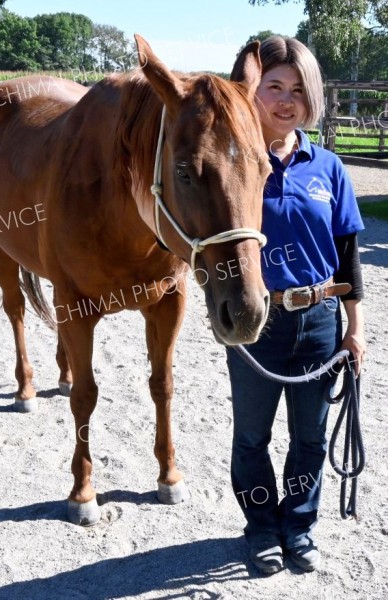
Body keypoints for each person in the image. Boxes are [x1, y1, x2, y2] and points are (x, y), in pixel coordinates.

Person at [227, 36, 366, 574]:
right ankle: (261, 526)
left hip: (320, 324)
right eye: (273, 87)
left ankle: (299, 524)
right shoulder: (233, 165)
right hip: (257, 321)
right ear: (252, 92)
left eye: (297, 90)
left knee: (309, 436)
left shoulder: (327, 168)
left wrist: (356, 329)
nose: (286, 101)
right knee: (252, 436)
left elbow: (348, 255)